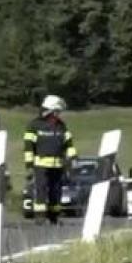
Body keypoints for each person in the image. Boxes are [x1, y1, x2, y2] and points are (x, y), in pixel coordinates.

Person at [22, 95, 77, 226]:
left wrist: (73, 158)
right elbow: (28, 146)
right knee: (40, 190)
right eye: (57, 111)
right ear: (51, 111)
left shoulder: (61, 126)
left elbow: (68, 143)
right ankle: (40, 217)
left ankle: (54, 217)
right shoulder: (35, 125)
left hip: (57, 165)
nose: (59, 114)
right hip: (40, 165)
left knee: (56, 191)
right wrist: (29, 164)